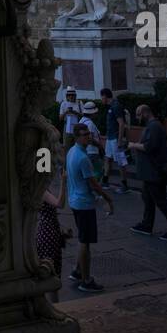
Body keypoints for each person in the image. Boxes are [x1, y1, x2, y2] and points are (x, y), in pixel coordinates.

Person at [66, 122, 113, 292]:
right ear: (77, 137)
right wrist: (108, 199)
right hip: (84, 203)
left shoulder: (72, 151)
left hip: (75, 201)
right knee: (85, 242)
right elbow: (94, 184)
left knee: (83, 239)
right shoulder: (83, 158)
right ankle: (86, 280)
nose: (88, 137)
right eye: (85, 134)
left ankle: (78, 271)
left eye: (88, 134)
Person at [130, 104, 167, 240]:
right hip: (150, 172)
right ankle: (146, 225)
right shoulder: (153, 126)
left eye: (138, 114)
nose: (137, 118)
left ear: (145, 113)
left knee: (161, 200)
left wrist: (133, 145)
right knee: (147, 198)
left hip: (154, 172)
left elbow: (149, 147)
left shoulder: (154, 126)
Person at [35, 164, 69, 300]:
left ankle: (55, 306)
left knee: (53, 275)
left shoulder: (43, 188)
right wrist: (63, 182)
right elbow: (60, 204)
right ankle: (53, 306)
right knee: (51, 276)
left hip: (51, 230)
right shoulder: (42, 191)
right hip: (47, 233)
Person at [100, 88, 129, 192]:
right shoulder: (111, 107)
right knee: (108, 158)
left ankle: (124, 185)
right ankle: (105, 181)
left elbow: (121, 123)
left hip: (115, 139)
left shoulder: (116, 106)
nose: (101, 99)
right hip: (110, 138)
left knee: (120, 161)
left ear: (105, 96)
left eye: (101, 97)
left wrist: (120, 141)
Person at [78, 101, 103, 180]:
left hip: (85, 151)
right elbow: (90, 138)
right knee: (97, 173)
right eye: (95, 112)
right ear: (92, 113)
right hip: (92, 152)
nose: (96, 114)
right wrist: (100, 146)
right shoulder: (90, 124)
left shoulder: (81, 121)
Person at [60, 87, 82, 151]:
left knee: (78, 146)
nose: (71, 96)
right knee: (67, 147)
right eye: (69, 95)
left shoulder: (79, 103)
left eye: (72, 95)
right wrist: (66, 112)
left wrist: (75, 113)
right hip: (67, 127)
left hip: (77, 127)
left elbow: (83, 116)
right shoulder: (64, 104)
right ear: (67, 96)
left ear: (75, 95)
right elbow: (60, 118)